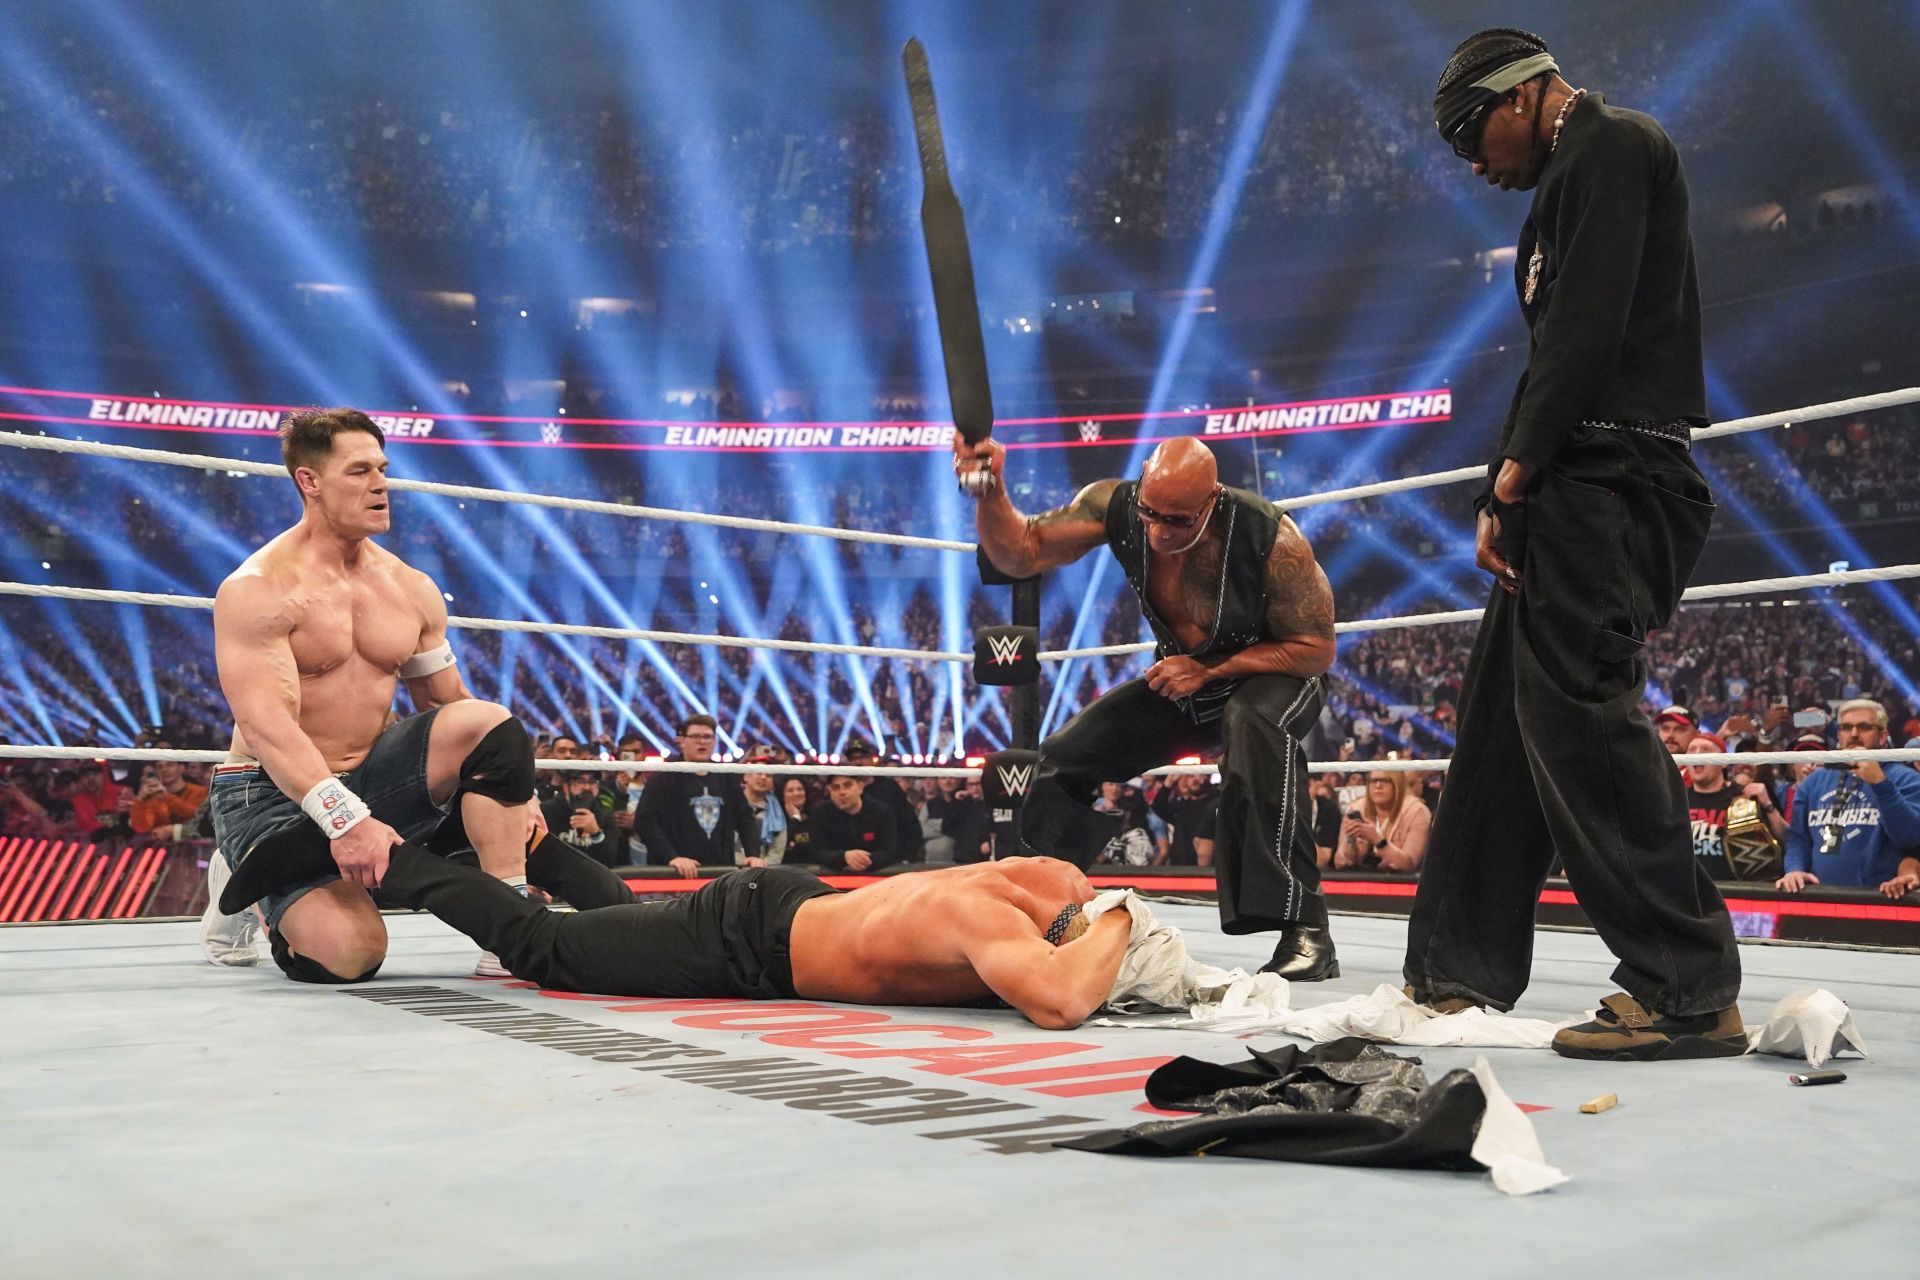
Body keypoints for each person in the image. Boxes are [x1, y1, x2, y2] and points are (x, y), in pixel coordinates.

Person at [1413, 29, 1744, 1060]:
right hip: (1572, 479)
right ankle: (1455, 970)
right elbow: (1556, 347)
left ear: (1521, 96)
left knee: (1585, 724)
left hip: (1608, 480)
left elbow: (1587, 331)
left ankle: (1685, 984)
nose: (1474, 162)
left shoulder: (1610, 145)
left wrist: (1515, 475)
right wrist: (1504, 490)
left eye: (1473, 133)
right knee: (1504, 722)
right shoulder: (1572, 174)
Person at [208, 407, 616, 983]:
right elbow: (269, 728)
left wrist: (514, 790)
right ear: (309, 481)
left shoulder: (410, 588)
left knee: (488, 722)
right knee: (353, 954)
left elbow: (449, 706)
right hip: (272, 792)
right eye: (358, 471)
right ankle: (250, 881)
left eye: (382, 468)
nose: (380, 484)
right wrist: (346, 821)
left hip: (372, 776)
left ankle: (510, 926)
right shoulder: (259, 589)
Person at [954, 432, 1339, 980]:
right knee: (1065, 757)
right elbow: (1021, 553)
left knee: (1253, 724)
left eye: (1177, 521)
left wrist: (1210, 669)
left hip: (1275, 671)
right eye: (1150, 513)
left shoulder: (1269, 534)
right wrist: (989, 491)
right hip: (1185, 677)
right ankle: (1045, 911)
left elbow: (1315, 649)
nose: (1158, 532)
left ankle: (1306, 931)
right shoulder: (1116, 504)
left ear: (1211, 501)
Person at [220, 834, 1132, 1030]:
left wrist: (1090, 910)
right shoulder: (983, 915)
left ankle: (533, 845)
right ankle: (395, 856)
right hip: (750, 941)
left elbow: (1058, 895)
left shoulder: (1000, 883)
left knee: (637, 930)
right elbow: (1059, 999)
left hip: (786, 916)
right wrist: (1129, 919)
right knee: (551, 952)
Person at [1776, 700, 1920, 898]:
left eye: (1863, 727)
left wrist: (1880, 784)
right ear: (1838, 735)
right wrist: (1794, 869)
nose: (1853, 734)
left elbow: (1910, 838)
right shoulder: (1815, 781)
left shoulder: (1906, 779)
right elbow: (1798, 838)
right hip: (1819, 897)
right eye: (1846, 728)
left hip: (1880, 899)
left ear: (1882, 736)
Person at [632, 714, 761, 879]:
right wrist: (671, 857)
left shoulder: (726, 776)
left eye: (707, 737)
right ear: (683, 740)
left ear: (714, 741)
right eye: (695, 736)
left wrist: (753, 854)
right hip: (674, 873)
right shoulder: (664, 776)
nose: (702, 741)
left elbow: (745, 818)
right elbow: (644, 821)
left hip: (719, 870)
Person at [1335, 770, 1431, 875]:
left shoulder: (1416, 811)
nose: (1378, 785)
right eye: (1373, 780)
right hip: (1361, 881)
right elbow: (1340, 863)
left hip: (1402, 884)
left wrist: (1378, 840)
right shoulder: (1356, 808)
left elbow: (1409, 864)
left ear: (1397, 783)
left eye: (1385, 780)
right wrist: (1350, 841)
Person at [808, 774, 899, 872]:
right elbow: (816, 852)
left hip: (874, 873)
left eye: (847, 786)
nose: (842, 792)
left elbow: (889, 851)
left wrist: (862, 860)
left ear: (860, 787)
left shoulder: (881, 811)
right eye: (835, 788)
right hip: (833, 874)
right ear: (829, 791)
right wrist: (844, 857)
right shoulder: (820, 813)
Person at [541, 767, 619, 868]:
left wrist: (596, 834)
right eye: (580, 781)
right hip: (557, 876)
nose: (587, 787)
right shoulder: (548, 811)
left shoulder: (605, 814)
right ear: (566, 787)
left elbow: (610, 862)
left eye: (592, 781)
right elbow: (543, 856)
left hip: (592, 877)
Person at [738, 747, 786, 867]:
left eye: (768, 775)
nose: (763, 777)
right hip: (733, 869)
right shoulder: (733, 806)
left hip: (766, 872)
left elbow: (777, 849)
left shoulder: (777, 812)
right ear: (746, 776)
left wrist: (763, 867)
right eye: (759, 772)